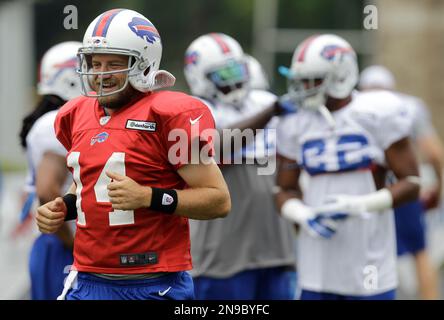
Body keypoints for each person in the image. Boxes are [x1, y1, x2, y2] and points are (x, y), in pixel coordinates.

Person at [35, 9, 231, 300]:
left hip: (152, 283)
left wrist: (148, 197)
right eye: (94, 63)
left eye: (114, 64)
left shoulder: (168, 115)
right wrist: (64, 206)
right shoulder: (75, 114)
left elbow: (218, 200)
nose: (101, 74)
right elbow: (89, 181)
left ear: (144, 64)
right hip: (87, 278)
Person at [275, 34, 420, 300]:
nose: (303, 87)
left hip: (370, 267)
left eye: (313, 79)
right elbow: (283, 189)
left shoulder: (378, 112)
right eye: (300, 79)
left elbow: (412, 183)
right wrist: (302, 214)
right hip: (316, 271)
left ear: (341, 75)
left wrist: (361, 205)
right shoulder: (294, 122)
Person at [184, 33, 297, 300]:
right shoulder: (195, 110)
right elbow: (217, 145)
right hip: (222, 257)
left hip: (275, 251)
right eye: (222, 75)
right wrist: (270, 113)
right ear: (199, 78)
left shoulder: (261, 101)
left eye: (236, 70)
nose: (233, 80)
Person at [359, 65, 443, 299]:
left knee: (365, 253)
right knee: (419, 252)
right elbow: (434, 154)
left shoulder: (353, 107)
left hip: (365, 189)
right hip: (402, 187)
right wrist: (437, 187)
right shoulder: (409, 106)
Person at [19, 41, 81, 299]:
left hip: (54, 244)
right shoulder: (57, 122)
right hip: (63, 247)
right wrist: (76, 244)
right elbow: (47, 190)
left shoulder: (49, 120)